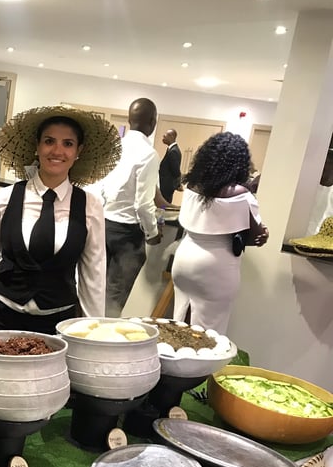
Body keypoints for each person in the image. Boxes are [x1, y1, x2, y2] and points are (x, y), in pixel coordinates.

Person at [0, 104, 121, 333]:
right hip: (1, 316)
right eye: (49, 141)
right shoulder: (6, 197)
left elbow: (93, 274)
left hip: (58, 322)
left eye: (68, 143)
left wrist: (93, 330)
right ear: (37, 146)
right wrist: (14, 280)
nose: (57, 150)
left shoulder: (89, 205)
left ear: (78, 151)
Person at [172, 132, 269, 334]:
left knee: (181, 322)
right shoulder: (241, 195)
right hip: (215, 268)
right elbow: (255, 237)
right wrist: (264, 234)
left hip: (184, 260)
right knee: (210, 333)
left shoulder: (192, 185)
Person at [96, 97, 163, 318]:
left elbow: (100, 187)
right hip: (127, 234)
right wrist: (152, 233)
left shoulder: (115, 147)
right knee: (114, 299)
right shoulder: (148, 154)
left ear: (129, 119)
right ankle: (104, 335)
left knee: (95, 291)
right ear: (152, 122)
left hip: (103, 226)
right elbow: (143, 204)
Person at [159, 128, 182, 203]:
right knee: (163, 204)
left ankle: (162, 211)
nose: (163, 137)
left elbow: (176, 171)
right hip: (165, 186)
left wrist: (178, 184)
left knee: (164, 205)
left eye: (165, 135)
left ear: (171, 136)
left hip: (166, 187)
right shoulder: (171, 149)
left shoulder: (173, 151)